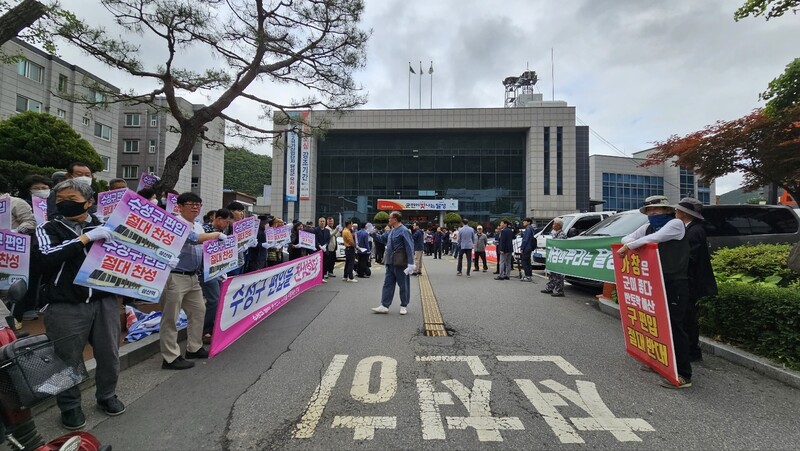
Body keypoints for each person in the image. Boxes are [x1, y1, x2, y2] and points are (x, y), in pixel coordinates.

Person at [31, 178, 125, 430]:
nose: (64, 205)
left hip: (104, 301)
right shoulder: (48, 228)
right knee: (66, 358)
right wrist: (84, 239)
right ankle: (70, 407)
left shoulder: (107, 226)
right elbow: (45, 259)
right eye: (60, 201)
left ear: (89, 202)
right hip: (66, 305)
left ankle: (107, 396)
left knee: (109, 354)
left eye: (71, 200)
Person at [618, 195, 692, 389]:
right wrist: (630, 243)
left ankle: (683, 374)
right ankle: (660, 362)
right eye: (650, 211)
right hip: (655, 282)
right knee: (655, 323)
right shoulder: (648, 227)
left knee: (675, 326)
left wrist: (630, 245)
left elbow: (654, 239)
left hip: (675, 282)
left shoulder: (676, 224)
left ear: (668, 210)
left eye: (657, 210)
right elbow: (627, 237)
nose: (652, 214)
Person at [160, 192, 226, 370]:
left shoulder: (198, 226)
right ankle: (170, 357)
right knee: (170, 318)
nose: (196, 207)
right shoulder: (175, 222)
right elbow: (194, 239)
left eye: (198, 204)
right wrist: (217, 235)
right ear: (179, 207)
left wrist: (219, 266)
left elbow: (205, 247)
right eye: (191, 204)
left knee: (199, 311)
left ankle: (194, 347)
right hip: (174, 275)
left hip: (193, 276)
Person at [674, 197, 717, 362]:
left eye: (678, 210)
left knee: (688, 317)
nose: (675, 212)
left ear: (685, 213)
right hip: (689, 280)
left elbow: (689, 258)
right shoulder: (691, 228)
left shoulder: (694, 231)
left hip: (691, 282)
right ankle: (690, 349)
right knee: (687, 317)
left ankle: (692, 351)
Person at [370, 211, 415, 314]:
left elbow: (409, 246)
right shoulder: (391, 231)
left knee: (403, 284)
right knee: (387, 284)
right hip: (390, 262)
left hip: (400, 262)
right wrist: (373, 233)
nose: (389, 220)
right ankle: (384, 305)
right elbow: (382, 239)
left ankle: (404, 305)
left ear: (395, 219)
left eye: (390, 218)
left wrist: (411, 263)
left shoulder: (403, 230)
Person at [201, 208, 234, 343]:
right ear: (218, 219)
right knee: (214, 299)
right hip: (205, 271)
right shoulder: (204, 230)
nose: (226, 225)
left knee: (219, 299)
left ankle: (214, 327)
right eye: (226, 222)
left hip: (218, 270)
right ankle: (205, 330)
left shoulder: (222, 232)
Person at [541, 218, 567, 296]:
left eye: (554, 224)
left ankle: (560, 291)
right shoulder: (555, 233)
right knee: (552, 273)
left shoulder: (562, 234)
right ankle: (550, 288)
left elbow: (560, 246)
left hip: (559, 257)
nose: (553, 225)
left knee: (558, 275)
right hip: (553, 256)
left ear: (558, 225)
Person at [520, 217, 537, 282]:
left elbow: (525, 240)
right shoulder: (532, 229)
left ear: (528, 222)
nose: (523, 222)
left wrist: (522, 247)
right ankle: (529, 275)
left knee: (524, 262)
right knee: (528, 262)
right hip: (530, 247)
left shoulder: (528, 229)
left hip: (527, 247)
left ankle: (527, 276)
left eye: (525, 221)